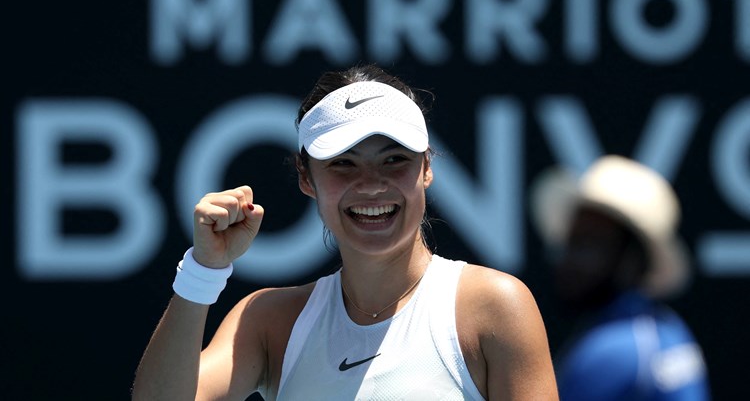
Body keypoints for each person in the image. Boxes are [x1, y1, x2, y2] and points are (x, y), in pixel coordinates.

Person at [132, 64, 558, 400]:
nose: (371, 184)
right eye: (343, 163)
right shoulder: (270, 321)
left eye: (394, 160)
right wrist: (203, 271)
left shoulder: (494, 307)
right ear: (305, 176)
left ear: (426, 167)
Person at [529, 155, 711, 400]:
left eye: (588, 244)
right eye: (570, 242)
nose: (567, 259)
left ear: (631, 260)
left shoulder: (610, 352)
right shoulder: (670, 328)